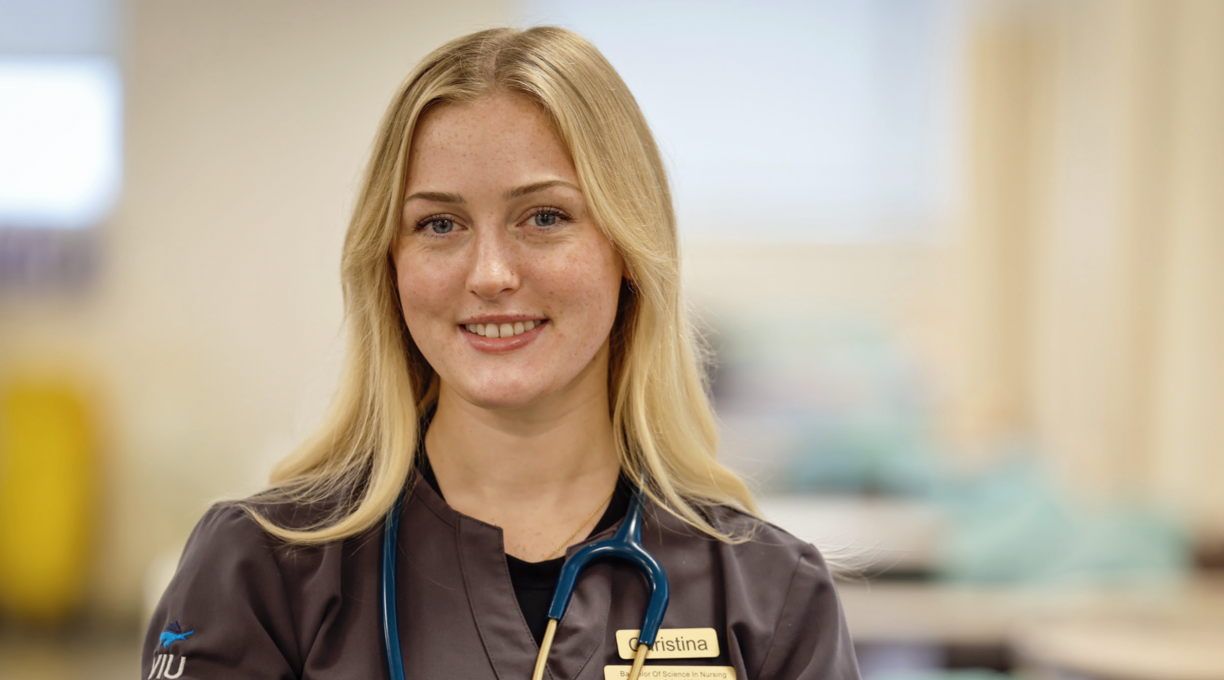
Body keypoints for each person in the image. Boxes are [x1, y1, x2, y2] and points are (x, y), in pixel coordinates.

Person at [142, 26, 860, 680]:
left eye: (544, 217)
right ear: (388, 264)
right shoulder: (264, 569)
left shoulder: (770, 596)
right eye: (440, 223)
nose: (489, 274)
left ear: (629, 250)